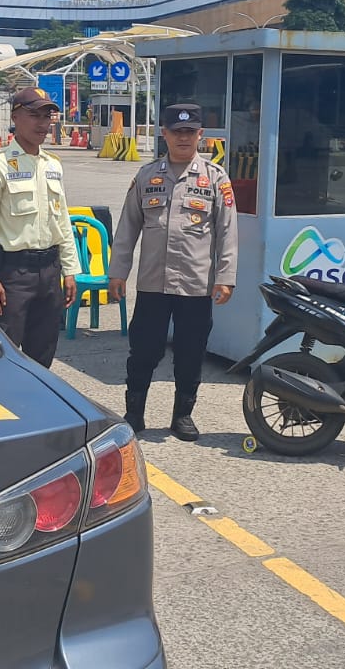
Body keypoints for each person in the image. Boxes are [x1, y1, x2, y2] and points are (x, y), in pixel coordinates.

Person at [108, 104, 238, 441]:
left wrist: (226, 277)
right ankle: (134, 411)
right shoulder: (146, 176)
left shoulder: (215, 178)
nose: (183, 138)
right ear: (164, 134)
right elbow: (127, 229)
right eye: (176, 132)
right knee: (144, 350)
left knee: (190, 352)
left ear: (200, 135)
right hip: (153, 284)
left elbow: (227, 232)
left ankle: (183, 415)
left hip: (196, 285)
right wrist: (118, 272)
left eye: (189, 132)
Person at [0, 87, 80, 368]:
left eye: (47, 116)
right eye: (34, 115)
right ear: (15, 117)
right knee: (4, 354)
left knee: (43, 354)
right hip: (13, 273)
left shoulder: (53, 164)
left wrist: (70, 270)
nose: (42, 124)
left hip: (50, 270)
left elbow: (62, 220)